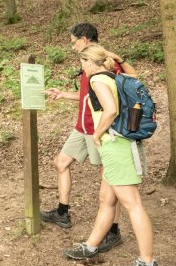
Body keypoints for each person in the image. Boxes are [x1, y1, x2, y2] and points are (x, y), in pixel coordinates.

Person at [64, 45, 160, 266]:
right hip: (117, 146)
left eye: (82, 63)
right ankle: (90, 246)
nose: (82, 68)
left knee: (132, 203)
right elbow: (134, 77)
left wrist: (96, 134)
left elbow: (110, 110)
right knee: (107, 199)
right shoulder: (113, 76)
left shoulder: (98, 79)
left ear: (88, 62)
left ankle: (148, 262)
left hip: (116, 146)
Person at [41, 23, 137, 253]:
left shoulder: (104, 60)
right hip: (81, 127)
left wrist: (120, 59)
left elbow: (131, 79)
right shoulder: (86, 62)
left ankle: (113, 232)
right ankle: (62, 212)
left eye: (73, 41)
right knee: (61, 162)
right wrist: (64, 94)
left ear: (84, 38)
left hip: (100, 129)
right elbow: (87, 94)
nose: (72, 46)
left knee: (110, 183)